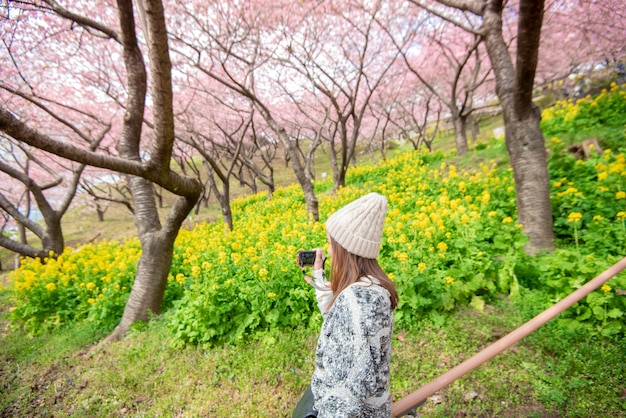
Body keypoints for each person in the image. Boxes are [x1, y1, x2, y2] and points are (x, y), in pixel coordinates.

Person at [297, 192, 399, 417]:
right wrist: (318, 275)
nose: (329, 251)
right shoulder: (373, 289)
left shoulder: (357, 302)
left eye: (332, 243)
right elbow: (342, 327)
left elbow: (350, 390)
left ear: (346, 248)